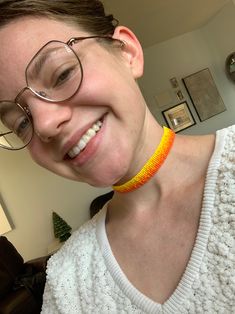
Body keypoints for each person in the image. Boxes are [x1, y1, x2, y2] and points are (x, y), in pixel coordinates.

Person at [0, 0, 234, 313]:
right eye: (21, 122)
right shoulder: (67, 283)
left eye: (61, 74)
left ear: (127, 52)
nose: (44, 125)